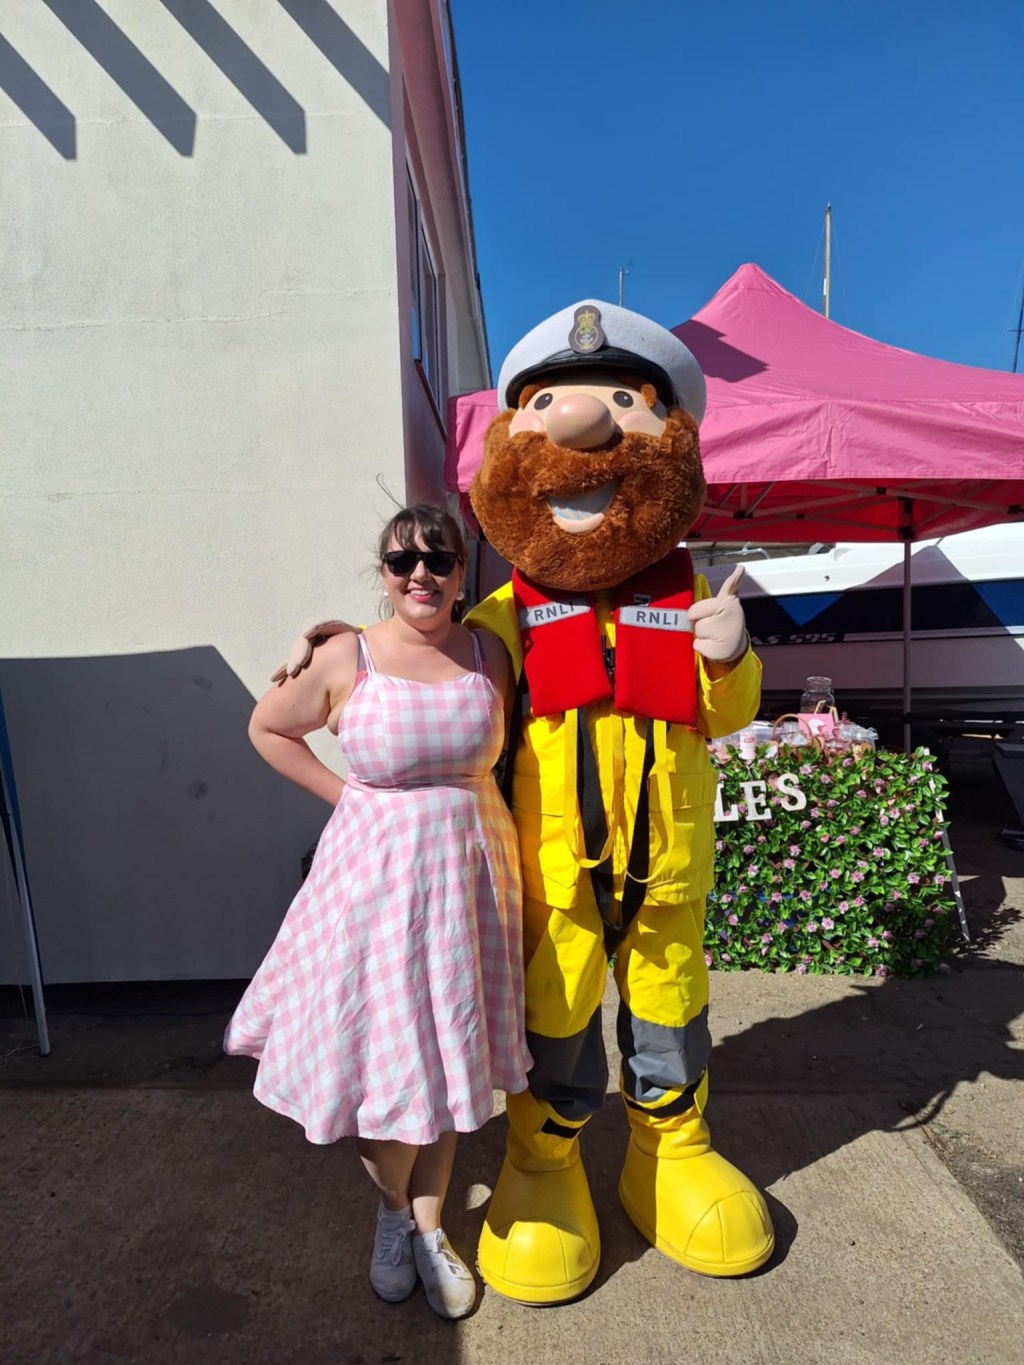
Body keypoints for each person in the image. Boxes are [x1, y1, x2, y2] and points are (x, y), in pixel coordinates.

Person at [224, 503, 531, 1320]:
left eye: (438, 558)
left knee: (449, 1055)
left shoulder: (489, 651)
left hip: (471, 880)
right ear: (385, 575)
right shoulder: (346, 655)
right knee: (385, 1071)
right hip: (375, 889)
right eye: (402, 563)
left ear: (464, 572)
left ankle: (432, 1230)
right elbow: (266, 727)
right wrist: (348, 797)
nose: (420, 573)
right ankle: (394, 1217)